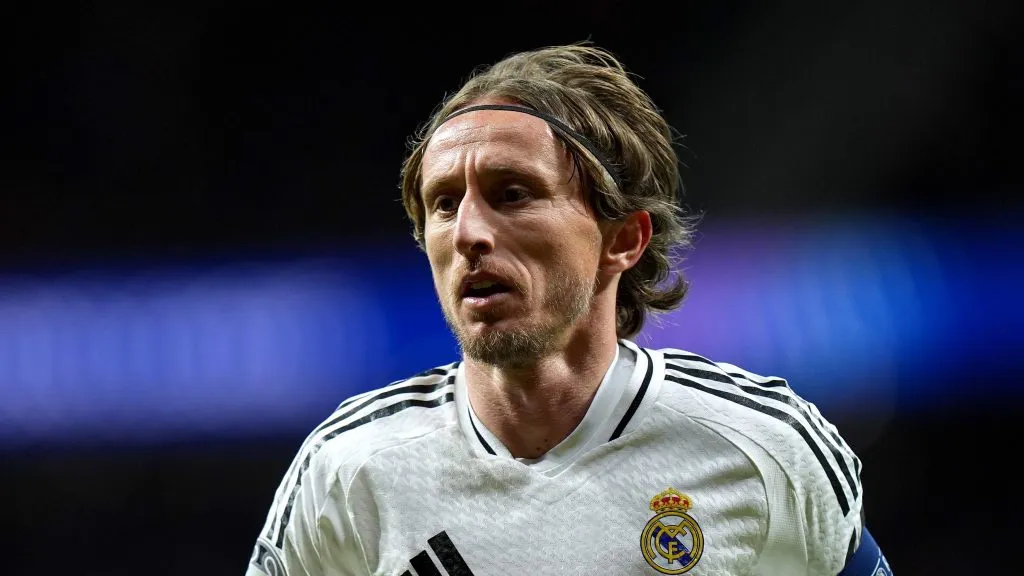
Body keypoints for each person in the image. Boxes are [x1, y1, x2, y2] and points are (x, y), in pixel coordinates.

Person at [246, 42, 892, 576]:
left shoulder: (763, 445)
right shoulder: (349, 469)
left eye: (513, 192)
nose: (469, 231)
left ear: (623, 239)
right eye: (444, 203)